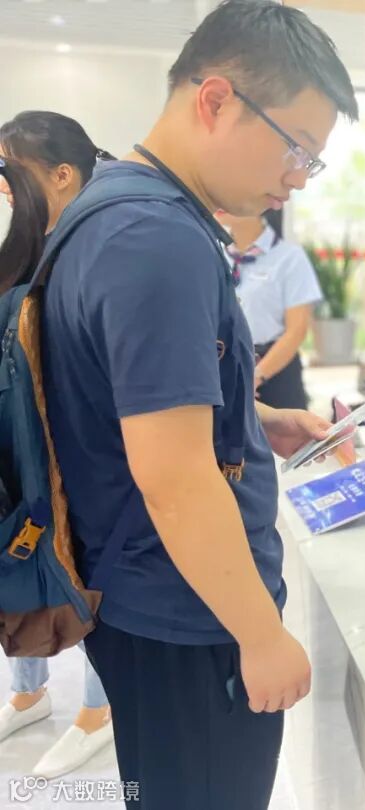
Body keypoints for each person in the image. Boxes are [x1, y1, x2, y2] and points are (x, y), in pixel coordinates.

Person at [40, 2, 357, 808]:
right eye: (296, 147)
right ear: (216, 99)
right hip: (188, 620)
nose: (298, 176)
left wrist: (257, 421)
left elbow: (134, 408)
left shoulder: (115, 204)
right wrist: (260, 635)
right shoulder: (156, 239)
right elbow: (175, 480)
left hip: (149, 600)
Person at [0, 111, 116, 779]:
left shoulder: (94, 249)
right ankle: (28, 692)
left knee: (84, 571)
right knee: (17, 561)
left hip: (79, 455)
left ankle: (98, 710)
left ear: (63, 174)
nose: (3, 185)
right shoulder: (28, 245)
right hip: (23, 443)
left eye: (11, 170)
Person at [216, 208, 322, 409]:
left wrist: (255, 376)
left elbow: (296, 331)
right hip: (226, 370)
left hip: (275, 375)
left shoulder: (289, 258)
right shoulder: (216, 255)